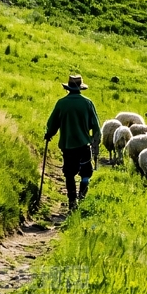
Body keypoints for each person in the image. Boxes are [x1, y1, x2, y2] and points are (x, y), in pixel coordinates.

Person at [45, 73, 101, 212]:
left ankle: (72, 201)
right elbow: (96, 126)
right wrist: (95, 141)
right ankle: (82, 194)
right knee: (86, 172)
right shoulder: (88, 103)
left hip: (68, 146)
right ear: (80, 88)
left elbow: (52, 123)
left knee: (69, 173)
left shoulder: (61, 103)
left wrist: (49, 134)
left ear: (68, 88)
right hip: (83, 146)